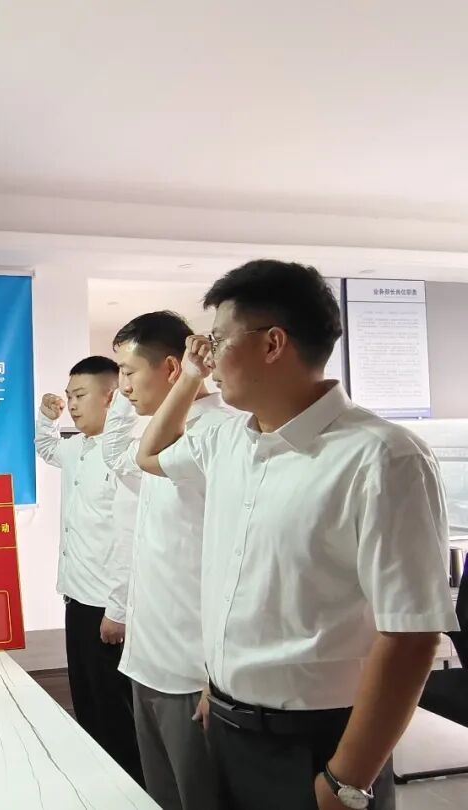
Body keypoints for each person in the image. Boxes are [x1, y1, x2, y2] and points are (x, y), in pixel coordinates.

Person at [135, 260, 457, 810]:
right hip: (225, 724)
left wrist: (345, 782)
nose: (208, 358)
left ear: (273, 343)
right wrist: (222, 684)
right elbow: (149, 456)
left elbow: (411, 635)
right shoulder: (228, 442)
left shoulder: (381, 457)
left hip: (319, 744)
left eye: (218, 340)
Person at [99, 312, 229, 810]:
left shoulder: (221, 433)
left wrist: (215, 677)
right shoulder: (159, 434)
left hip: (193, 671)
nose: (124, 387)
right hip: (149, 661)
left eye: (129, 372)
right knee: (164, 795)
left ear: (173, 368)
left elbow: (236, 564)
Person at [34, 355, 144, 784]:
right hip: (76, 597)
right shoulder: (76, 447)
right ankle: (98, 782)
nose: (73, 405)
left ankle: (129, 786)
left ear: (111, 398)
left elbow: (129, 538)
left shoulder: (127, 457)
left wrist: (118, 608)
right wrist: (46, 419)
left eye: (80, 395)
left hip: (107, 608)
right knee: (85, 698)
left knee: (114, 708)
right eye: (69, 396)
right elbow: (47, 449)